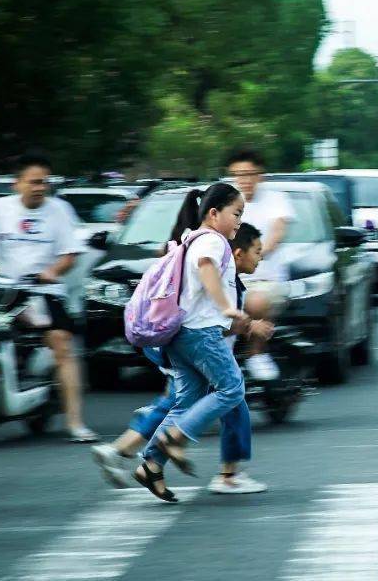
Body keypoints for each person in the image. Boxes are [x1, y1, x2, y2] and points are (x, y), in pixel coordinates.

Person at [91, 223, 272, 494]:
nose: (261, 257)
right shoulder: (223, 277)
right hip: (198, 348)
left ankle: (145, 462)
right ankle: (220, 470)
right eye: (257, 251)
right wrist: (249, 326)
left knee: (183, 402)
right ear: (237, 253)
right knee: (230, 395)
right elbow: (212, 323)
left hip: (185, 345)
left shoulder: (224, 274)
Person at [133, 183, 249, 503]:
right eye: (236, 213)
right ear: (214, 214)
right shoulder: (212, 240)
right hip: (201, 332)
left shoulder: (188, 238)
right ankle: (177, 436)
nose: (239, 221)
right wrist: (226, 306)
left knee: (187, 401)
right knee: (231, 388)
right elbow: (207, 268)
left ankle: (152, 464)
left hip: (180, 334)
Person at [0, 152, 97, 442]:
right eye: (34, 182)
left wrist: (52, 271)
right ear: (17, 184)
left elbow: (70, 254)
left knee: (62, 345)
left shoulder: (59, 210)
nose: (40, 187)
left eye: (44, 182)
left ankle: (76, 423)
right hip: (2, 292)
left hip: (43, 292)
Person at [225, 148, 295, 381]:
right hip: (228, 280)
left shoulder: (276, 200)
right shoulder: (225, 203)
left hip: (265, 281)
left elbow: (275, 236)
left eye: (249, 174)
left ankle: (256, 355)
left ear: (260, 175)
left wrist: (253, 256)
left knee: (254, 301)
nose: (243, 180)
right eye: (238, 174)